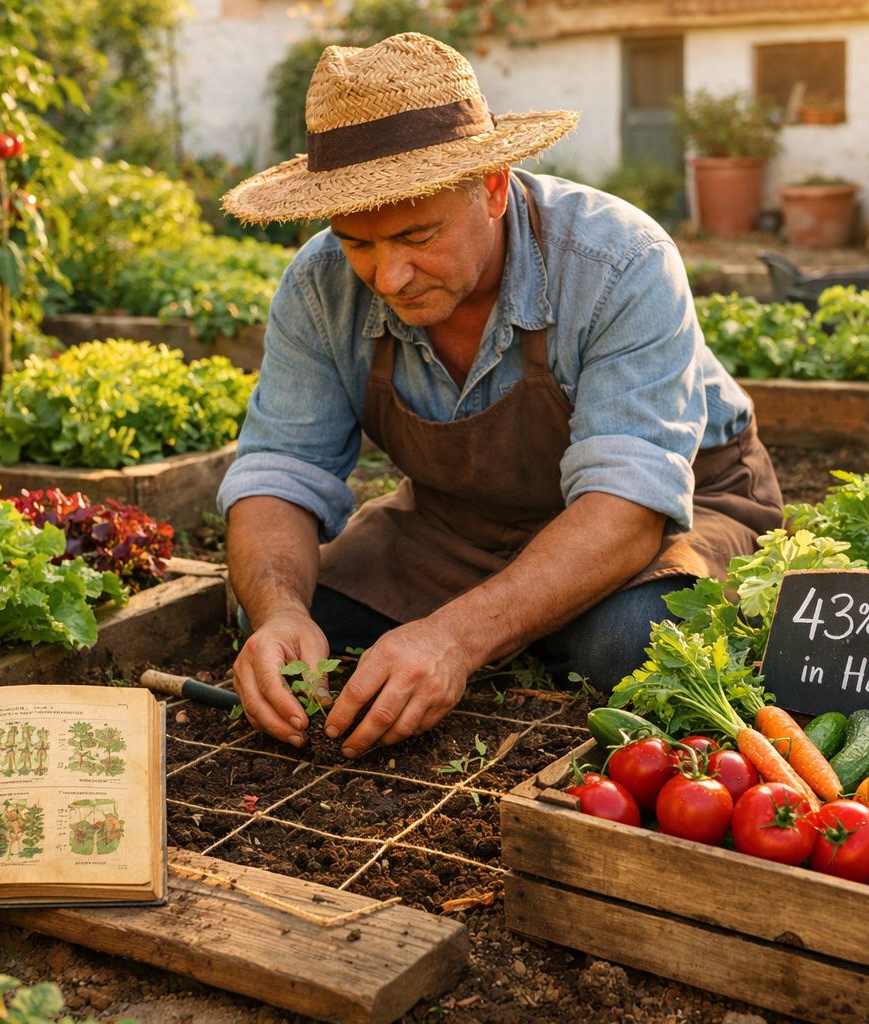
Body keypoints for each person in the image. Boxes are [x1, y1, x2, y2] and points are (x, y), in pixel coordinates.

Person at [217, 32, 783, 760]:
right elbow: (278, 473)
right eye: (358, 243)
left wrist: (454, 637)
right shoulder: (319, 285)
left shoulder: (619, 261)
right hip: (458, 526)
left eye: (417, 235)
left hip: (672, 513)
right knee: (280, 614)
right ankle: (526, 624)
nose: (389, 277)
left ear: (492, 187)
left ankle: (526, 626)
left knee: (628, 645)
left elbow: (630, 507)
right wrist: (279, 611)